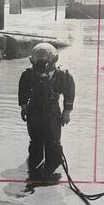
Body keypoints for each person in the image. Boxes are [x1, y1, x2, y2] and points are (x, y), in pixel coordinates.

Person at [18, 43, 75, 182]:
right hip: (34, 111)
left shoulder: (63, 75)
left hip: (52, 111)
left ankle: (53, 168)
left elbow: (69, 93)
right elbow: (23, 91)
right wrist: (24, 107)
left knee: (53, 141)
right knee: (35, 140)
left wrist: (67, 112)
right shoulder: (28, 75)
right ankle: (34, 168)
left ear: (53, 60)